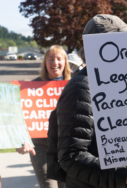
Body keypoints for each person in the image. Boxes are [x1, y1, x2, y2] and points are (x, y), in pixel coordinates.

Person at [55, 14, 127, 188]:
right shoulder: (81, 87)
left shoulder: (119, 82)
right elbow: (71, 156)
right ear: (106, 48)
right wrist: (124, 173)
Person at [16, 45, 72, 188]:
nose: (55, 63)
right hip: (42, 148)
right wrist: (21, 141)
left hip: (69, 147)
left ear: (65, 62)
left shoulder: (74, 85)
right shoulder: (30, 88)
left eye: (59, 59)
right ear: (45, 63)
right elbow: (20, 119)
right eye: (50, 59)